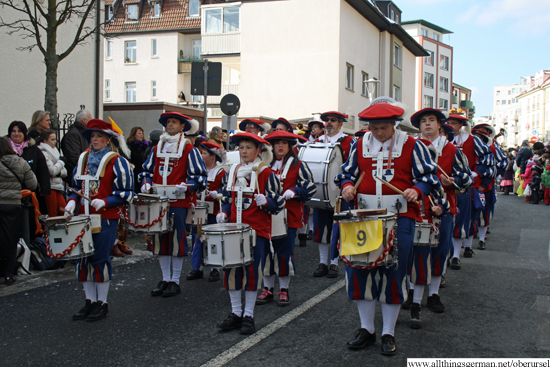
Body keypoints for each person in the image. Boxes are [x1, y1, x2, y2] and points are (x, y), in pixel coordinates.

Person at [335, 102, 440, 355]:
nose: (379, 132)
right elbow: (345, 174)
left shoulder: (413, 146)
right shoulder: (359, 145)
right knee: (360, 272)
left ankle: (388, 332)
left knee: (394, 273)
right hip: (363, 218)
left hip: (400, 218)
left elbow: (429, 178)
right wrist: (348, 186)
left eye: (383, 128)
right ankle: (366, 329)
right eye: (373, 127)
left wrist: (417, 190)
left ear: (394, 125)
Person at [404, 108, 472, 328]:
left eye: (431, 120)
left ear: (440, 124)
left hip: (444, 208)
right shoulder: (411, 147)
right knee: (413, 250)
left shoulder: (452, 149)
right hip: (416, 208)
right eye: (422, 121)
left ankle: (433, 294)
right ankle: (413, 291)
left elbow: (466, 179)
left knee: (440, 251)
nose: (427, 124)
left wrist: (453, 180)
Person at [65, 118, 134, 321]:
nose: (94, 140)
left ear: (107, 139)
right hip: (83, 217)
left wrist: (106, 201)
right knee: (83, 259)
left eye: (98, 136)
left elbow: (127, 193)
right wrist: (71, 201)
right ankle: (89, 301)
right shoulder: (83, 159)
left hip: (105, 218)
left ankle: (102, 303)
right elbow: (76, 186)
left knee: (100, 259)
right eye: (92, 136)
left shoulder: (117, 161)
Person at [216, 132, 284, 335]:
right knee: (232, 270)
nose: (244, 151)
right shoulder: (233, 170)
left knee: (252, 272)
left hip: (256, 231)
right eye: (241, 147)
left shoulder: (265, 173)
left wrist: (268, 202)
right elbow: (228, 198)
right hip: (234, 230)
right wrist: (223, 212)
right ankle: (236, 313)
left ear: (258, 151)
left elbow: (278, 202)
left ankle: (249, 315)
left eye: (248, 147)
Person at [141, 112, 207, 298]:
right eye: (168, 122)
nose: (169, 125)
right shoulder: (156, 149)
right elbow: (146, 170)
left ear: (182, 127)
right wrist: (146, 182)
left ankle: (175, 281)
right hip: (158, 201)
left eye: (173, 122)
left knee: (176, 239)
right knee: (160, 240)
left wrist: (186, 186)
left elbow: (200, 178)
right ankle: (165, 278)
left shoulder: (189, 149)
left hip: (178, 201)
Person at [257, 131, 316, 306]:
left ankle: (284, 289)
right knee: (266, 251)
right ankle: (267, 289)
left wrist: (296, 191)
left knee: (284, 253)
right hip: (265, 215)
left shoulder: (298, 165)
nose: (280, 146)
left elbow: (311, 187)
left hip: (288, 216)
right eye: (276, 144)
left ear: (290, 146)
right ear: (272, 146)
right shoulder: (264, 165)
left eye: (284, 143)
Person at [446, 114, 494, 269]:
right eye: (449, 123)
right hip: (442, 186)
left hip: (464, 187)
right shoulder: (443, 140)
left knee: (463, 219)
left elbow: (488, 157)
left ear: (461, 125)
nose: (451, 126)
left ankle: (456, 255)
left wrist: (476, 173)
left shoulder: (472, 140)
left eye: (454, 123)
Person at [312, 111, 353, 278]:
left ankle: (334, 262)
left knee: (338, 227)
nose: (329, 123)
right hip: (322, 191)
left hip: (340, 192)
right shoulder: (317, 142)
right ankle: (322, 262)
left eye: (333, 120)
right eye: (326, 120)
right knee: (321, 228)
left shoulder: (349, 142)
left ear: (340, 124)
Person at [187, 141, 227, 282]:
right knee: (198, 238)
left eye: (204, 153)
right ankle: (196, 267)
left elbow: (227, 191)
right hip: (199, 213)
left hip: (213, 212)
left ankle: (214, 268)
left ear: (213, 157)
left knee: (213, 239)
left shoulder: (221, 173)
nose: (201, 156)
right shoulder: (197, 172)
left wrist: (219, 193)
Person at [0, 137, 37, 285]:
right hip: (14, 205)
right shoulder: (20, 162)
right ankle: (9, 273)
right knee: (11, 238)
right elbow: (33, 184)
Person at [8, 121, 51, 219]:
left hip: (30, 194)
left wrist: (45, 191)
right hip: (10, 195)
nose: (16, 134)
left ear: (24, 133)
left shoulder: (33, 150)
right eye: (13, 131)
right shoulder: (4, 150)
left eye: (19, 131)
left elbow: (42, 171)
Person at [38, 129, 67, 217]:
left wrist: (59, 170)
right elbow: (52, 171)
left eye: (55, 139)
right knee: (53, 212)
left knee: (65, 211)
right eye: (52, 139)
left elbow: (65, 172)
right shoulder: (43, 152)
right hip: (50, 186)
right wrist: (61, 162)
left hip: (56, 185)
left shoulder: (54, 151)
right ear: (45, 141)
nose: (55, 142)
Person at [62, 110, 92, 185]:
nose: (91, 122)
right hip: (76, 174)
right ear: (84, 120)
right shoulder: (73, 134)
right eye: (90, 119)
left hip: (82, 173)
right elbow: (74, 157)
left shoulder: (82, 133)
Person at [127, 126, 149, 194]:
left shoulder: (145, 146)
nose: (141, 135)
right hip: (134, 171)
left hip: (143, 170)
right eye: (139, 133)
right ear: (134, 134)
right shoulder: (130, 145)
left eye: (142, 133)